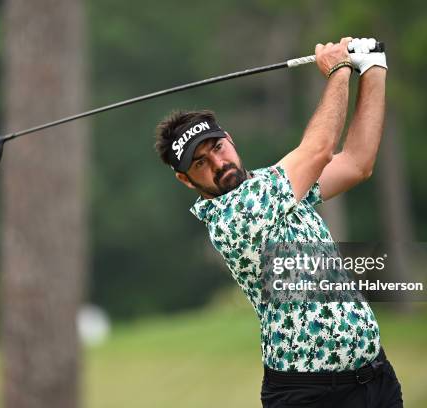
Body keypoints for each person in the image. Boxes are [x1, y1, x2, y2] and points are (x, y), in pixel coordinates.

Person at [154, 37, 403, 407]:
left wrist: (373, 68)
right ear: (186, 180)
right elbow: (318, 150)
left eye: (217, 148)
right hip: (310, 395)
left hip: (374, 379)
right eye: (200, 164)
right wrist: (337, 70)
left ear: (230, 140)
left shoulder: (277, 185)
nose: (218, 164)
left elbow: (356, 163)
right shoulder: (232, 217)